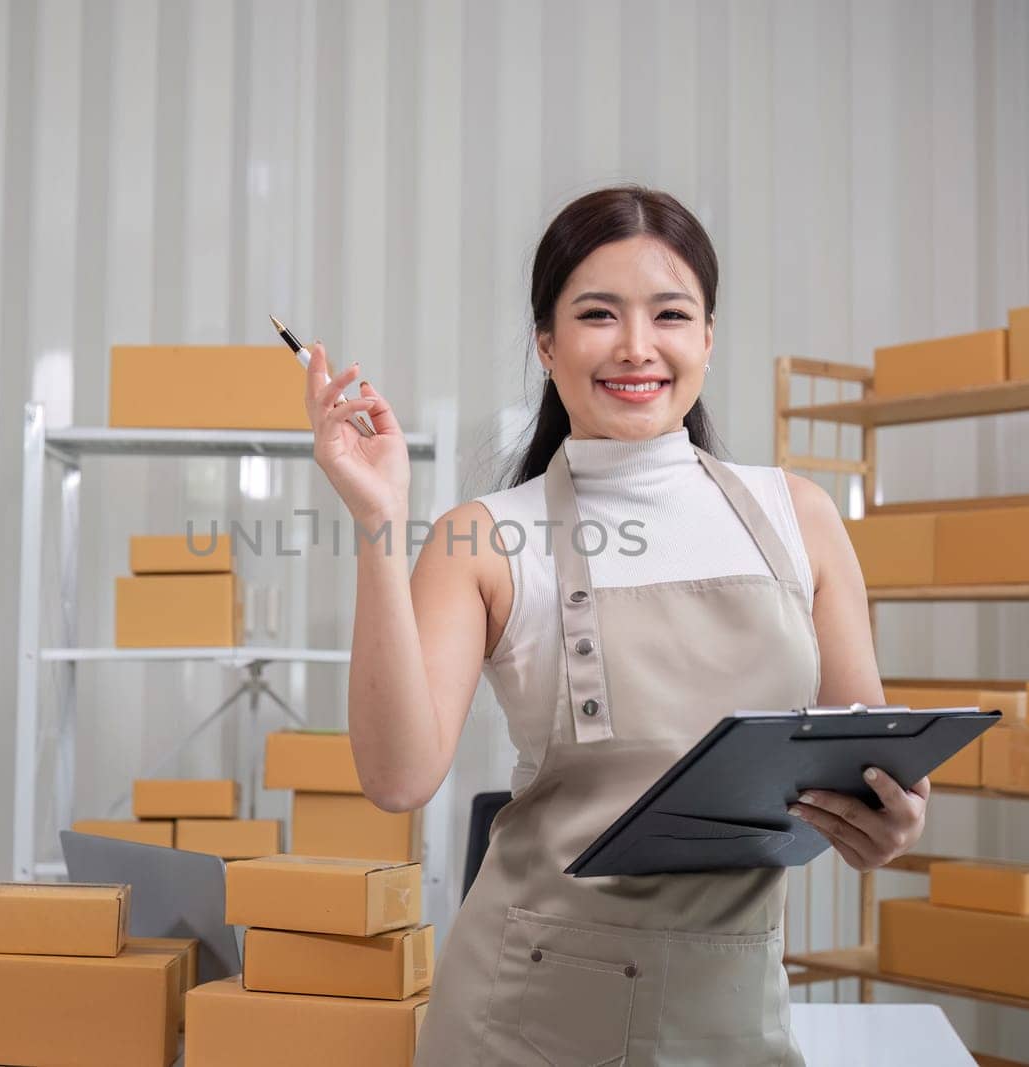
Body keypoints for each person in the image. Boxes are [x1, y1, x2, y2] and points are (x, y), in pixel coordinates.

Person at [304, 185, 928, 1065]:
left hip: (736, 1016)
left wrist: (890, 824)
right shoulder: (483, 537)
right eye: (597, 314)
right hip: (523, 1021)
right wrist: (379, 517)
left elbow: (864, 758)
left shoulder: (803, 517)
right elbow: (398, 777)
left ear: (708, 336)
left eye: (671, 313)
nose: (638, 346)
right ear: (547, 344)